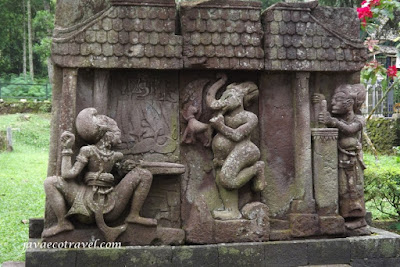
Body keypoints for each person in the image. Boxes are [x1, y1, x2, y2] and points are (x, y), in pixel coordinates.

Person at [42, 108, 156, 240]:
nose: (119, 136)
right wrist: (67, 149)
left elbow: (119, 173)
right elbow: (67, 174)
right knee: (50, 182)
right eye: (117, 132)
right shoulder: (88, 151)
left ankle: (134, 215)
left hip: (109, 205)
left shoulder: (116, 156)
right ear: (107, 134)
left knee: (144, 174)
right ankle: (62, 222)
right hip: (84, 205)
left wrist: (125, 169)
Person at [207, 74, 266, 220]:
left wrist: (220, 126)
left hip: (246, 151)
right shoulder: (224, 116)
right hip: (226, 154)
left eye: (227, 97)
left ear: (240, 98)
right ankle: (232, 210)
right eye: (222, 98)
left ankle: (257, 169)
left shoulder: (249, 117)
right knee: (220, 180)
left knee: (227, 179)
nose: (223, 101)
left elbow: (237, 136)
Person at [319, 84, 370, 235]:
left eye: (338, 100)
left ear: (349, 104)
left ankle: (359, 220)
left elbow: (350, 129)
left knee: (354, 189)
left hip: (353, 163)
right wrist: (321, 102)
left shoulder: (359, 119)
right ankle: (346, 218)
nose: (333, 103)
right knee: (343, 190)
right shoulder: (336, 119)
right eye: (332, 99)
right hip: (340, 162)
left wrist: (333, 122)